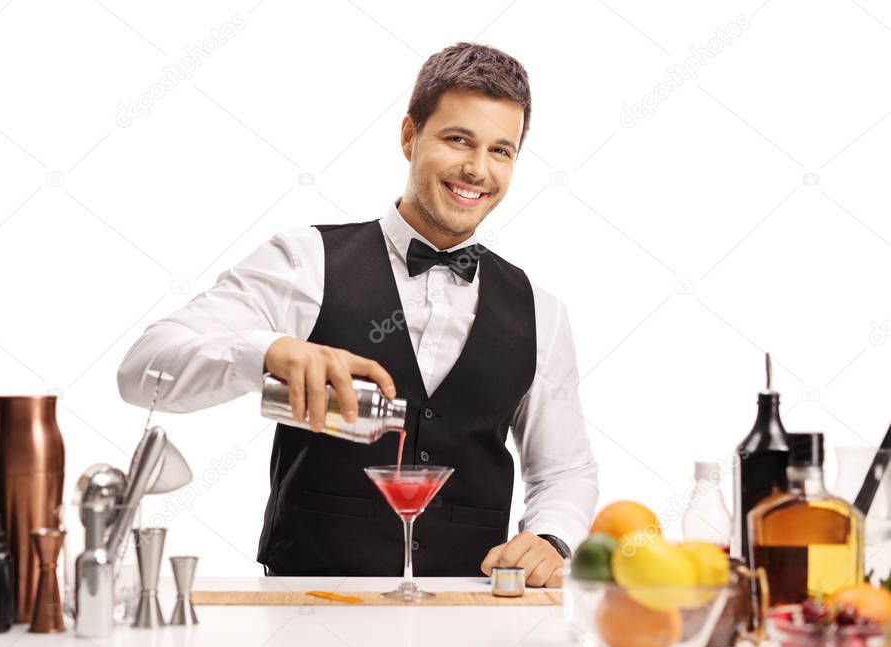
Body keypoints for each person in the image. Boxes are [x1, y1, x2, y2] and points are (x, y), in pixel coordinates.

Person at [117, 42, 598, 587]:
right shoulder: (304, 262)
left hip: (469, 611)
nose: (477, 169)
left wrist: (554, 536)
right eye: (458, 139)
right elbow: (143, 370)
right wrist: (267, 352)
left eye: (501, 150)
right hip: (307, 607)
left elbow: (565, 469)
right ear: (409, 136)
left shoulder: (541, 311)